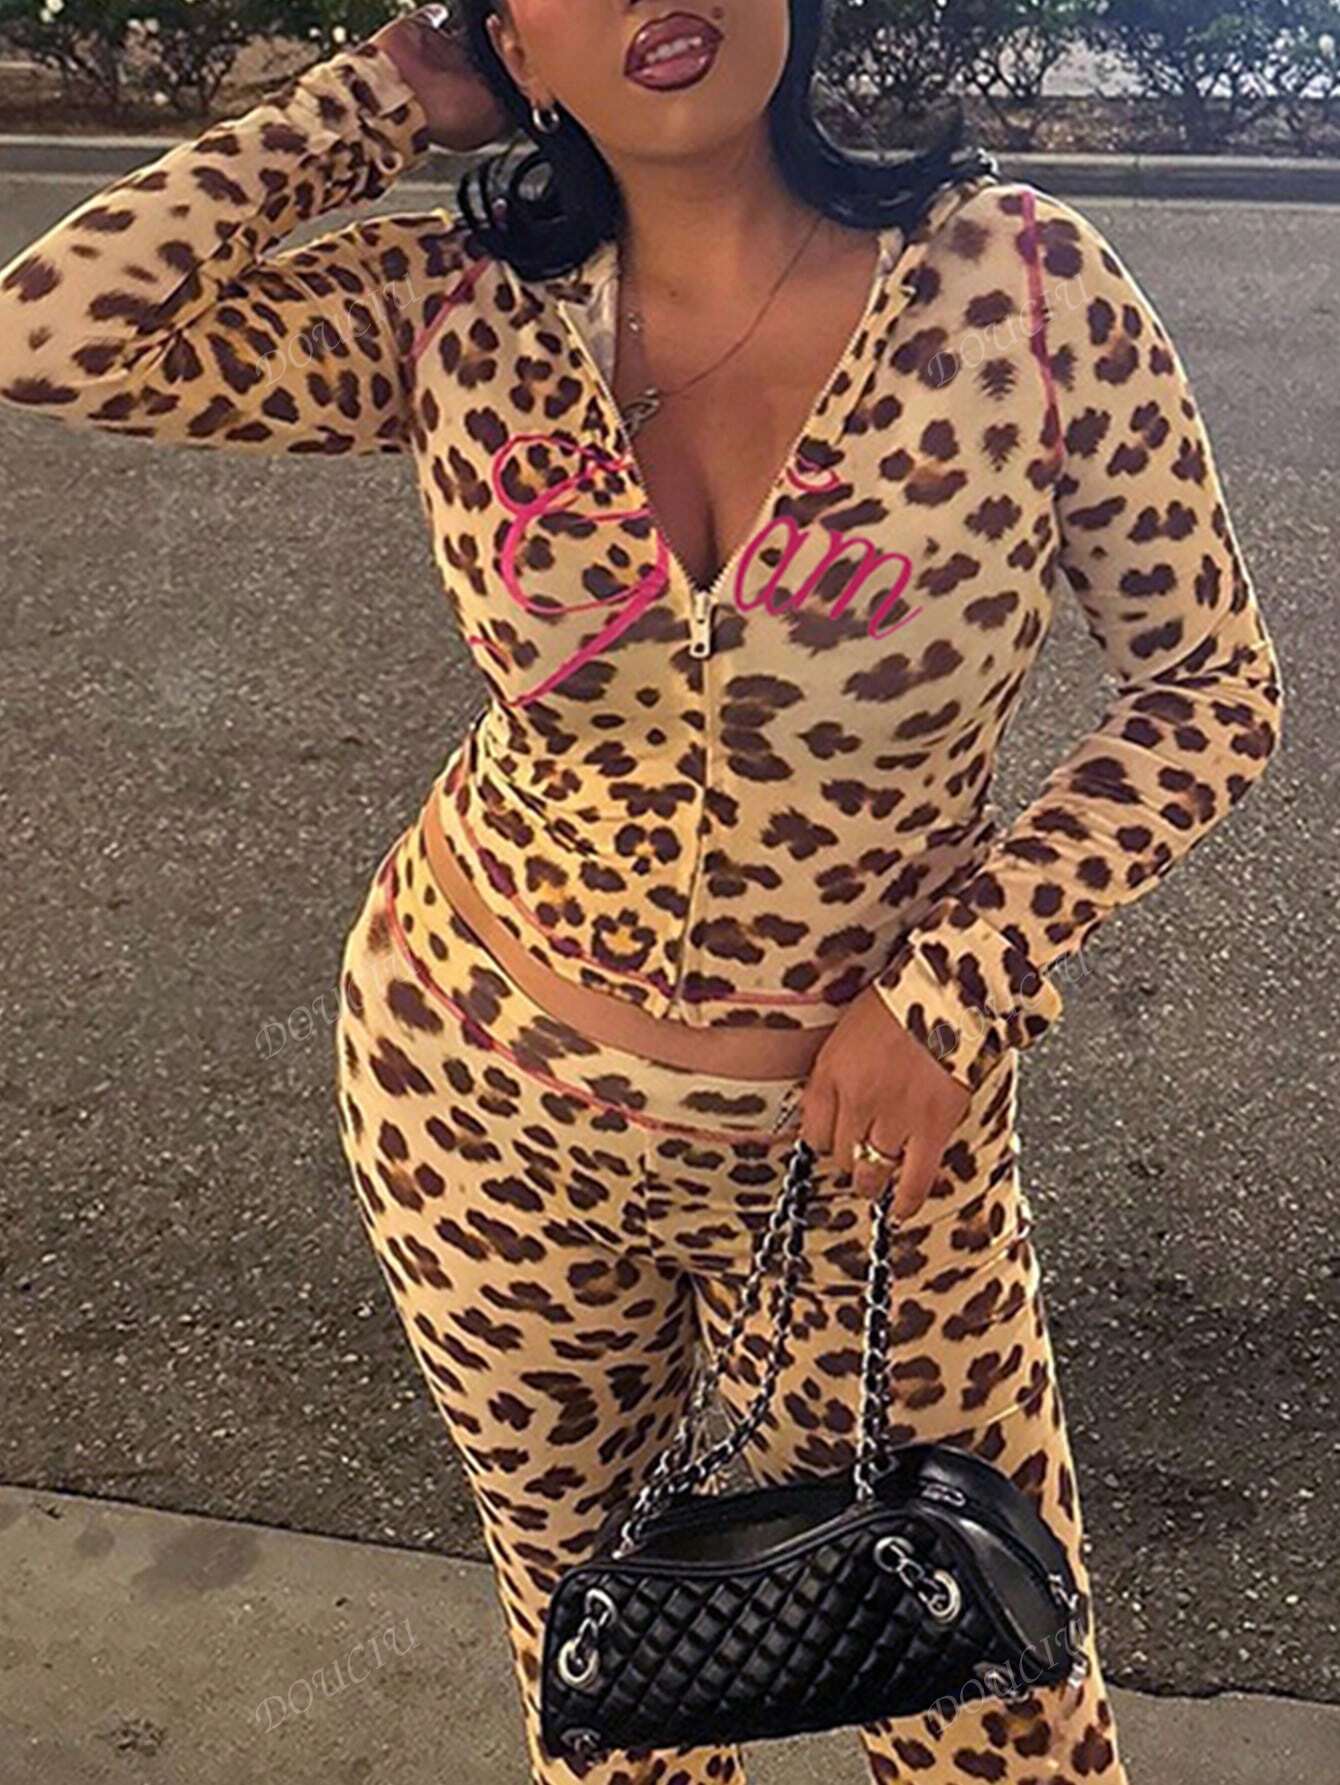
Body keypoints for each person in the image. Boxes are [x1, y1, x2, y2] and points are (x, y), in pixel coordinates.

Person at [0, 2, 1283, 1781]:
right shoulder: (455, 310)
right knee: (616, 1680)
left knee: (995, 1711)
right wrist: (376, 101)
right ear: (514, 46)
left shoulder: (1022, 288)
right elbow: (50, 329)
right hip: (477, 1101)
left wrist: (956, 985)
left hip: (862, 1157)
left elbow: (1211, 691)